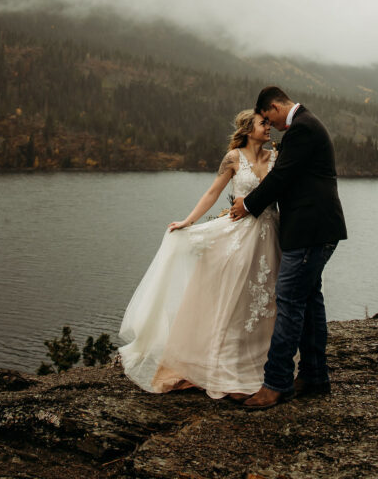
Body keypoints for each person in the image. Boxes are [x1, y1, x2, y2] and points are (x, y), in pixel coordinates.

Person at [118, 109, 280, 399]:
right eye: (263, 123)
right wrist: (188, 221)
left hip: (270, 237)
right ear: (247, 128)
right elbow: (212, 193)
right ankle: (226, 370)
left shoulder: (275, 157)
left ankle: (265, 369)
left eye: (269, 122)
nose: (269, 127)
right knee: (235, 301)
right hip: (240, 235)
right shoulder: (233, 158)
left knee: (265, 302)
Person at [229, 85, 347, 409]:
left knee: (289, 302)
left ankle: (276, 384)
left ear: (276, 107)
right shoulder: (305, 126)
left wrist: (247, 205)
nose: (272, 126)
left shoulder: (302, 129)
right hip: (317, 229)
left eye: (269, 118)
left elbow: (280, 178)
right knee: (309, 300)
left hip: (309, 232)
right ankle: (314, 376)